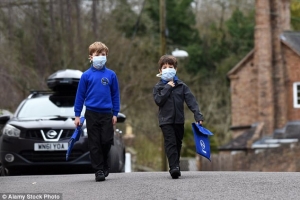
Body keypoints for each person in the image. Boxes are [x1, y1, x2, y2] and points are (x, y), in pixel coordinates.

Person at [74, 41, 120, 182]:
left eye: (103, 54)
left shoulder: (111, 75)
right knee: (94, 143)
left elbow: (115, 95)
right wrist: (77, 115)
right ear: (91, 57)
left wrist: (115, 113)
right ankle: (98, 170)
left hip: (106, 114)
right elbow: (80, 96)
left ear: (106, 56)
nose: (100, 56)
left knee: (106, 141)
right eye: (97, 54)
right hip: (91, 113)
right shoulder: (86, 76)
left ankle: (105, 163)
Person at [153, 55, 204, 179]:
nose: (168, 69)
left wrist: (198, 115)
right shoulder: (158, 87)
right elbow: (159, 100)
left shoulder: (182, 86)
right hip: (165, 120)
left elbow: (191, 101)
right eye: (164, 67)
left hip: (179, 120)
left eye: (170, 67)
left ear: (175, 69)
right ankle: (174, 167)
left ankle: (176, 164)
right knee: (170, 143)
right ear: (160, 71)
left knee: (177, 143)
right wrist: (168, 87)